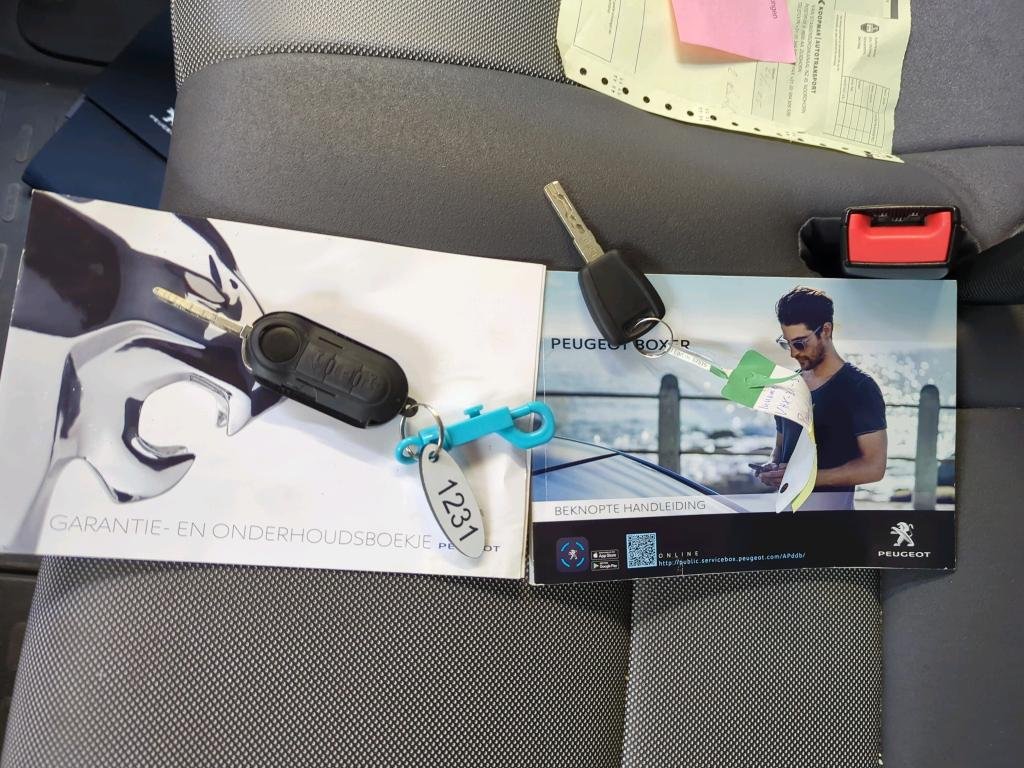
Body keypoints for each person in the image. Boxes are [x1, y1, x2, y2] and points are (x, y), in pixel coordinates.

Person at [756, 287, 887, 510]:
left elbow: (874, 468)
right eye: (787, 343)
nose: (793, 353)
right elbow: (780, 449)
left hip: (833, 522)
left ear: (826, 330)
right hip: (785, 517)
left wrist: (806, 478)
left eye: (800, 343)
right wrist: (773, 468)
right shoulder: (787, 385)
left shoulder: (860, 388)